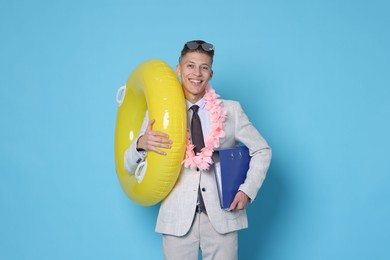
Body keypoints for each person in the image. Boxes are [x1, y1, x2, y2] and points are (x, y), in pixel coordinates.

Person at [124, 40, 272, 260]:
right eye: (190, 65)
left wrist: (247, 190)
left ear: (211, 73)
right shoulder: (159, 113)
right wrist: (140, 145)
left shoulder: (231, 110)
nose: (196, 73)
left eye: (204, 67)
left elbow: (262, 150)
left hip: (222, 219)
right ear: (179, 69)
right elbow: (127, 166)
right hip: (177, 221)